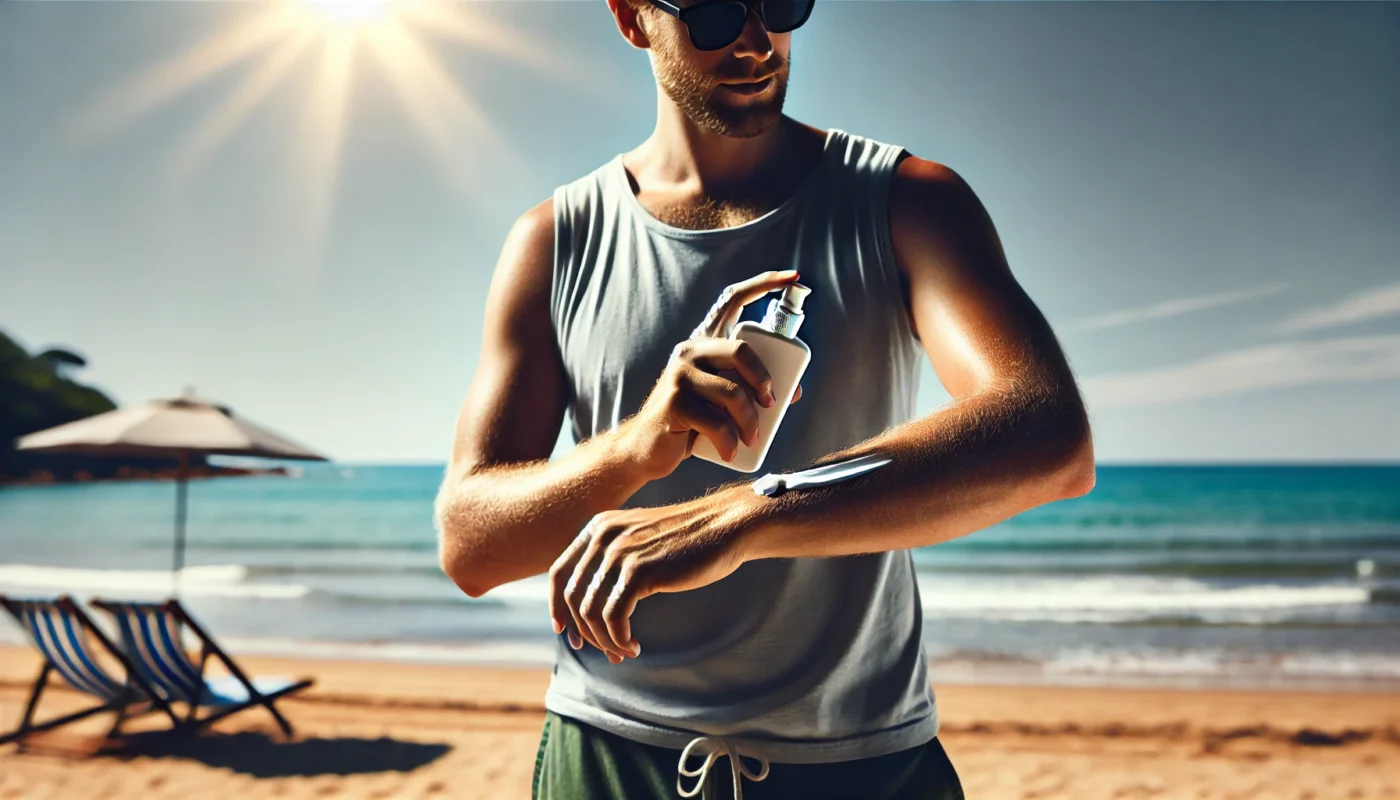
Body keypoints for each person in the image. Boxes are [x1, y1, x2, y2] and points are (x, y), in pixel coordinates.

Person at [434, 0, 1095, 796]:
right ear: (631, 18)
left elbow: (1049, 438)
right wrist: (636, 446)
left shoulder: (905, 202)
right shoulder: (555, 241)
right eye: (712, 11)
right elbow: (471, 546)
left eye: (781, 3)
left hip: (860, 765)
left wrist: (747, 516)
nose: (756, 40)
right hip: (609, 756)